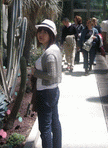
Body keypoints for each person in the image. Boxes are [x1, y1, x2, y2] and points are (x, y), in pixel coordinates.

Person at [31, 19, 62, 148]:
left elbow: (51, 75)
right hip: (52, 92)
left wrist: (35, 72)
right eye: (40, 31)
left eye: (45, 32)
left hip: (46, 93)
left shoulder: (49, 53)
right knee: (55, 124)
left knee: (45, 129)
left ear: (51, 35)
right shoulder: (53, 49)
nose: (41, 34)